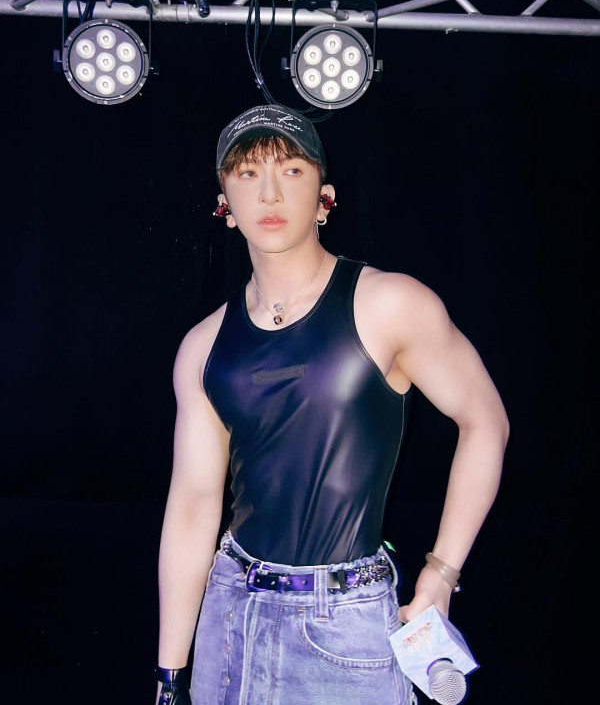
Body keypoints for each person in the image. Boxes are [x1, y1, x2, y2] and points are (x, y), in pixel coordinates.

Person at [154, 104, 509, 705]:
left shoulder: (389, 304)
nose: (269, 192)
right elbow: (193, 504)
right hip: (230, 616)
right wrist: (169, 674)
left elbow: (485, 422)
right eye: (247, 173)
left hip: (345, 625)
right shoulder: (203, 348)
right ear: (224, 205)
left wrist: (442, 573)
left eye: (291, 170)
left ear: (325, 198)